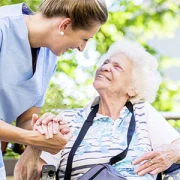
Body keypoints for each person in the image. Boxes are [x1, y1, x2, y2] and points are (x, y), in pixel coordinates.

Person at [15, 40, 180, 180]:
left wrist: (173, 151)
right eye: (106, 62)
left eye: (117, 67)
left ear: (133, 88)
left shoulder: (142, 113)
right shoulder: (67, 119)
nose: (106, 67)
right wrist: (36, 144)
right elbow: (33, 175)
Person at [0, 0, 108, 179]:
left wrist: (47, 129)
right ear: (65, 25)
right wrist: (31, 139)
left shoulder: (49, 57)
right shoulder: (3, 28)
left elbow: (26, 119)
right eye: (84, 39)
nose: (82, 48)